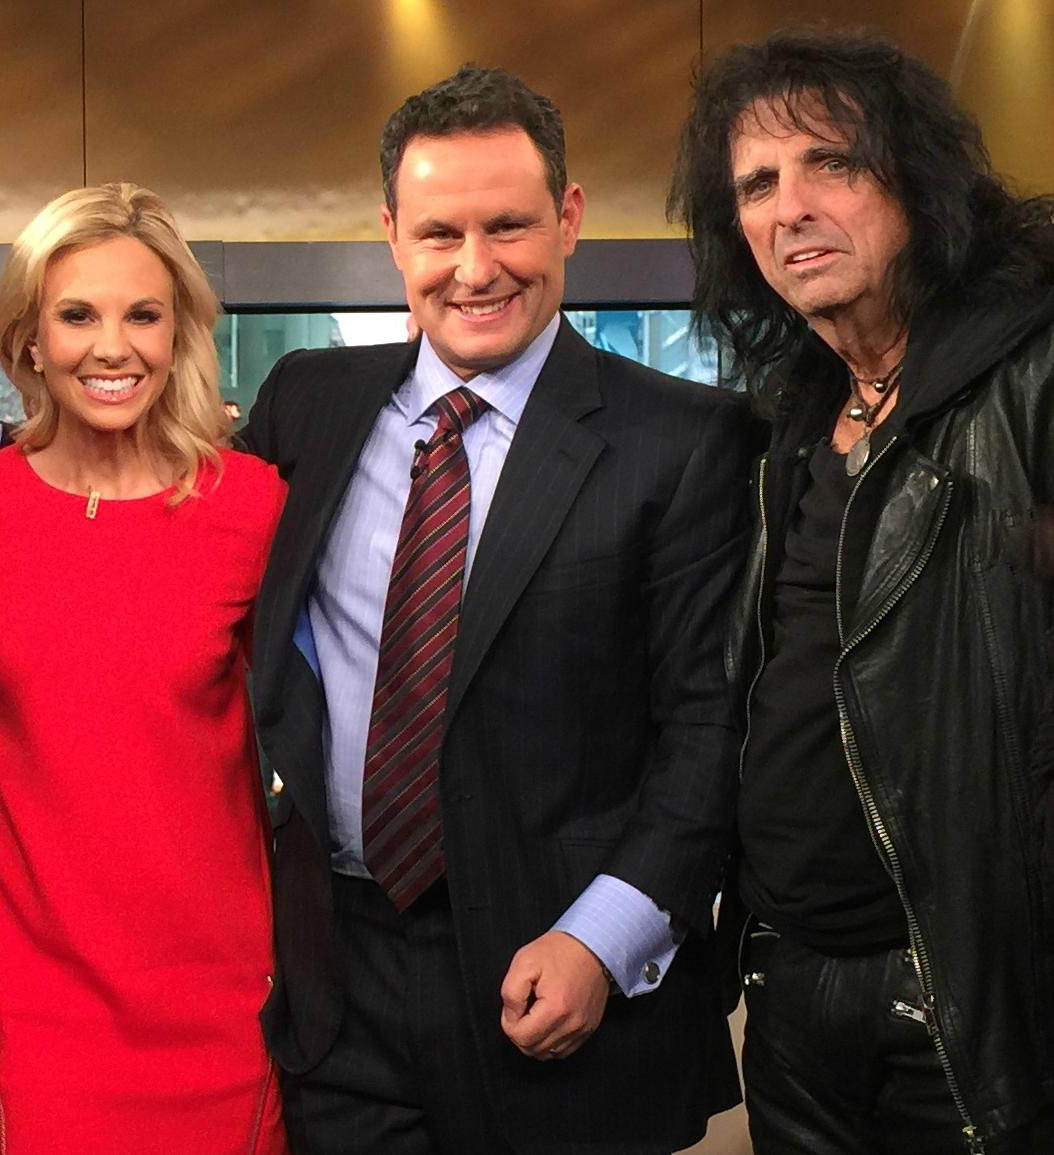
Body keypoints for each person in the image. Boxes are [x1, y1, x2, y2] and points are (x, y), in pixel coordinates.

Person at [243, 65, 755, 1155]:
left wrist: (603, 937)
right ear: (392, 234)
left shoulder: (686, 439)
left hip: (562, 982)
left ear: (568, 218)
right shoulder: (305, 406)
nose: (475, 269)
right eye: (439, 233)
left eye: (508, 225)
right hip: (338, 983)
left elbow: (710, 732)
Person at [668, 26, 1054, 1155]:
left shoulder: (1033, 373)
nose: (790, 208)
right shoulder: (792, 414)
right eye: (757, 184)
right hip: (787, 986)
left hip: (974, 999)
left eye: (830, 163)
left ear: (919, 182)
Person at [0, 183, 289, 1154]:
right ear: (31, 340)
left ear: (178, 332)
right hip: (34, 1018)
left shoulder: (252, 507)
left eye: (142, 316)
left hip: (223, 1006)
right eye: (78, 315)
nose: (113, 348)